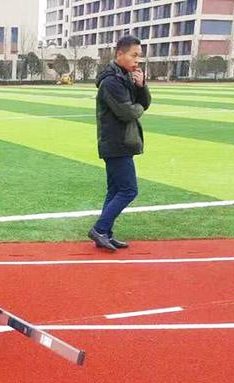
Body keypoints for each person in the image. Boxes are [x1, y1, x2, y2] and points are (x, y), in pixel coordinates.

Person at [88, 35, 151, 252]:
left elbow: (144, 103)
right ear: (120, 54)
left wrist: (141, 86)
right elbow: (128, 112)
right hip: (116, 144)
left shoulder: (125, 77)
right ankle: (99, 229)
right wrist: (138, 107)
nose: (137, 60)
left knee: (115, 190)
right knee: (128, 190)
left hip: (120, 143)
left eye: (139, 56)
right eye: (133, 55)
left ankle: (105, 233)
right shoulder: (111, 82)